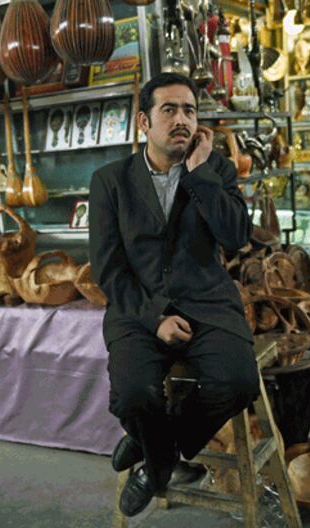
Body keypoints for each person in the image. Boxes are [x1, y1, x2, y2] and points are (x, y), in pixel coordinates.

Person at [88, 73, 259, 517]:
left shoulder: (216, 169)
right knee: (133, 395)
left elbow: (237, 237)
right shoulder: (110, 181)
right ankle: (160, 455)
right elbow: (108, 268)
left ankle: (154, 456)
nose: (181, 119)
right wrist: (155, 318)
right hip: (139, 307)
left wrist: (200, 174)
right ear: (144, 122)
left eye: (189, 110)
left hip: (208, 303)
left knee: (238, 382)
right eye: (169, 110)